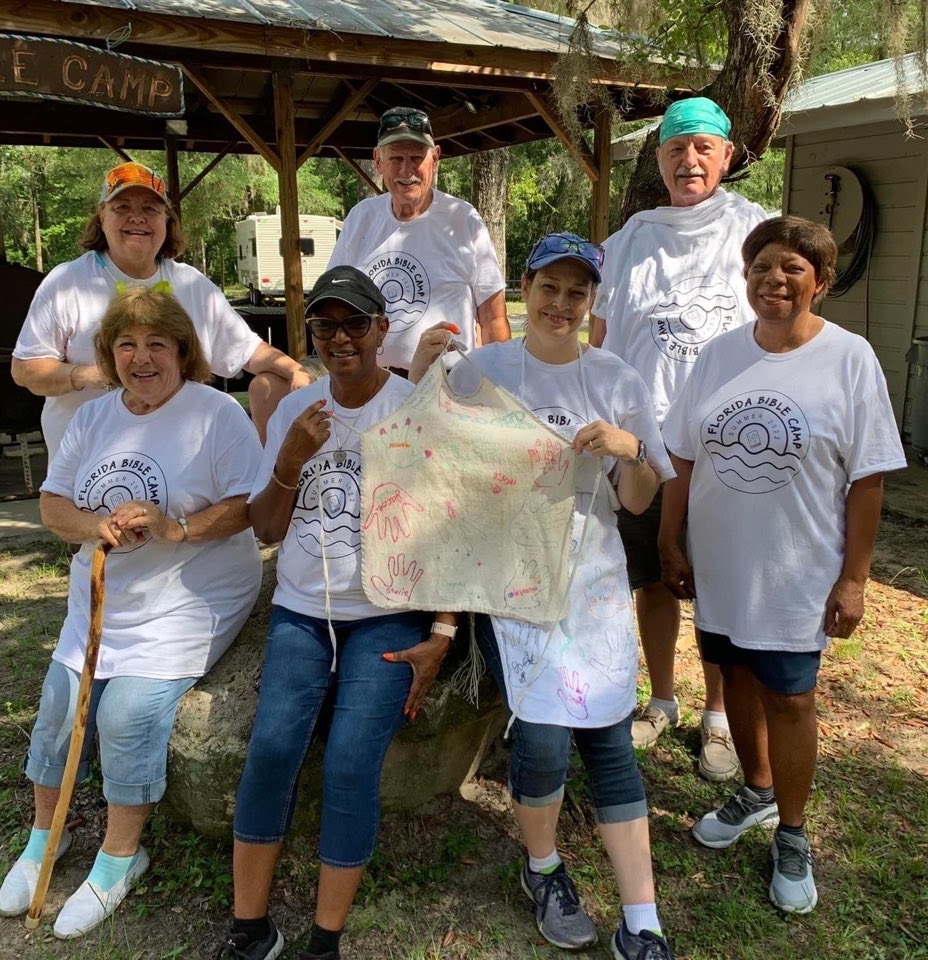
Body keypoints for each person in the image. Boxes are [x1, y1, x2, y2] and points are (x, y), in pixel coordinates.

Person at [410, 233, 676, 960]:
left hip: (591, 583)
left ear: (594, 302)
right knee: (544, 740)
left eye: (577, 292)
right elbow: (426, 445)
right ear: (525, 289)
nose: (562, 305)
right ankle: (544, 869)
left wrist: (631, 451)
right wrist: (421, 367)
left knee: (612, 742)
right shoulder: (489, 369)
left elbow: (639, 494)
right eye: (549, 289)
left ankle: (642, 920)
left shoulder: (617, 378)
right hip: (510, 586)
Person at [0, 287, 264, 937]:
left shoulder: (215, 414)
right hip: (104, 593)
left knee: (124, 712)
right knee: (60, 705)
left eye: (156, 344)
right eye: (126, 345)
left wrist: (175, 527)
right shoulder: (93, 417)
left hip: (191, 593)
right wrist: (97, 524)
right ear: (110, 356)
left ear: (182, 351)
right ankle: (45, 840)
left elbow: (247, 508)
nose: (141, 358)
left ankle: (120, 858)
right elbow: (55, 506)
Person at [658, 216, 906, 913]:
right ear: (746, 277)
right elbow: (681, 452)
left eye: (794, 268)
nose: (775, 279)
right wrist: (670, 539)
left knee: (791, 698)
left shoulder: (850, 360)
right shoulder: (718, 355)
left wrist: (854, 577)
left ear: (820, 284)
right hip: (721, 561)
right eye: (763, 265)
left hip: (798, 568)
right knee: (733, 672)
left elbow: (869, 479)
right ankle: (757, 790)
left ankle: (792, 835)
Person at [219, 265, 455, 960]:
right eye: (326, 326)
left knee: (352, 762)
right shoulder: (297, 411)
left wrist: (442, 632)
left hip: (388, 611)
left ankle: (326, 940)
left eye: (356, 323)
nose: (342, 337)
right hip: (302, 608)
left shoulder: (420, 407)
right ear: (312, 335)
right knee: (270, 751)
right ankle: (249, 928)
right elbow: (264, 528)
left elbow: (452, 527)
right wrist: (289, 460)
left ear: (384, 330)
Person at [591, 96, 769, 766]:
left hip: (727, 452)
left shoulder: (756, 231)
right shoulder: (629, 240)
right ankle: (661, 698)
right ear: (660, 158)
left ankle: (718, 717)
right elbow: (600, 343)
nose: (688, 160)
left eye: (702, 147)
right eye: (675, 148)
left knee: (716, 586)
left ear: (727, 155)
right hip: (643, 448)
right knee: (652, 580)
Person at [12, 160, 310, 452]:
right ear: (102, 216)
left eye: (150, 209)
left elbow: (248, 351)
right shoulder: (67, 281)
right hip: (91, 464)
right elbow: (25, 370)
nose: (137, 218)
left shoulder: (192, 284)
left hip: (183, 462)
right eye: (122, 207)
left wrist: (295, 370)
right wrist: (92, 375)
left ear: (166, 220)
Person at [323, 106, 509, 375]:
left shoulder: (463, 218)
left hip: (448, 384)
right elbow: (334, 306)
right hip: (376, 388)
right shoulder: (360, 218)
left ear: (435, 158)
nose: (406, 170)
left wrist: (502, 384)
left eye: (416, 158)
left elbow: (494, 318)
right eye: (396, 158)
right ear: (377, 160)